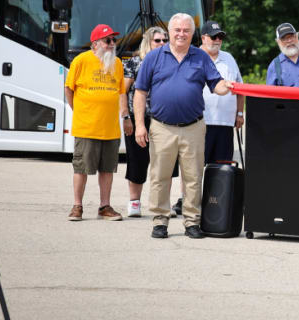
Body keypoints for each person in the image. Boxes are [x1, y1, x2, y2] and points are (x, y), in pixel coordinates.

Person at [134, 13, 235, 239]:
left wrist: (225, 85)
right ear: (170, 32)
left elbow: (215, 84)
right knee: (160, 176)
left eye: (186, 30)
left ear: (192, 34)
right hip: (161, 127)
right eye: (177, 30)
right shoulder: (154, 57)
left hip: (193, 127)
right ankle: (160, 221)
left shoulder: (201, 57)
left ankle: (192, 222)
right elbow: (140, 92)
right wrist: (140, 125)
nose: (181, 34)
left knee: (193, 177)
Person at [65, 24, 126, 221]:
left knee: (108, 169)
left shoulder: (117, 63)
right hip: (87, 126)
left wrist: (125, 117)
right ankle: (77, 206)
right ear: (95, 44)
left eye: (113, 40)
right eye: (107, 40)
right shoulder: (81, 60)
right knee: (81, 168)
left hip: (110, 127)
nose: (112, 44)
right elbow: (69, 89)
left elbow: (121, 92)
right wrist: (80, 111)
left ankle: (105, 207)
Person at [122, 26, 180, 217]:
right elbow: (122, 91)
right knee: (137, 160)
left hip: (165, 119)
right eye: (158, 40)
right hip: (139, 118)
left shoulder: (170, 62)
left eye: (165, 40)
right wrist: (126, 117)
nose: (162, 44)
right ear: (148, 41)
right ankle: (134, 202)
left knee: (166, 163)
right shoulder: (134, 62)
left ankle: (164, 204)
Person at [200, 20, 244, 164]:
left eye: (220, 37)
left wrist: (239, 113)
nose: (218, 40)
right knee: (195, 170)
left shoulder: (229, 58)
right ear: (203, 38)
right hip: (200, 123)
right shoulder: (193, 56)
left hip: (225, 123)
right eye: (214, 37)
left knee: (222, 170)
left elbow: (240, 88)